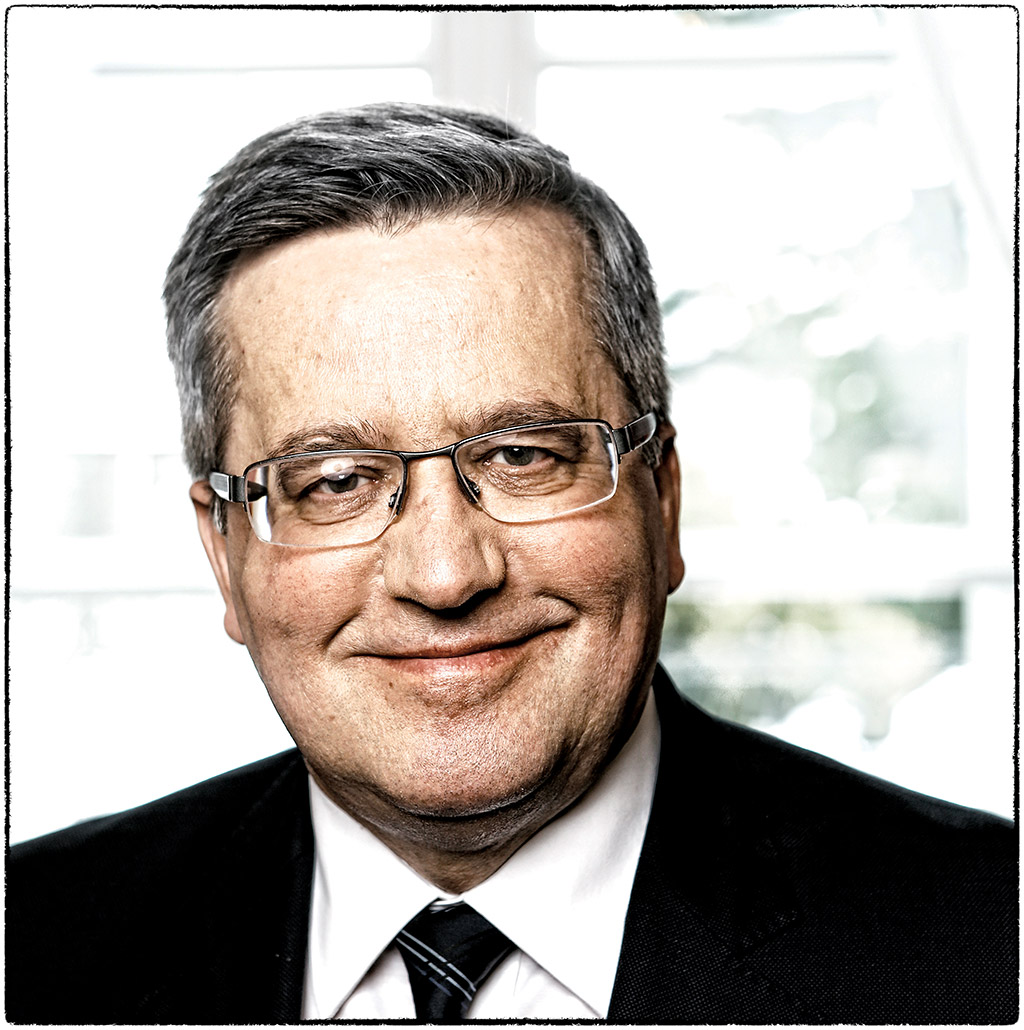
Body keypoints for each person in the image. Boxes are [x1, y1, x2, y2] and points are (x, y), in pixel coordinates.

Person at [7, 103, 1016, 1024]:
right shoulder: (32, 945)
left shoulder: (989, 945)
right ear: (225, 555)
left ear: (662, 499)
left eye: (524, 456)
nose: (446, 575)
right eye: (335, 480)